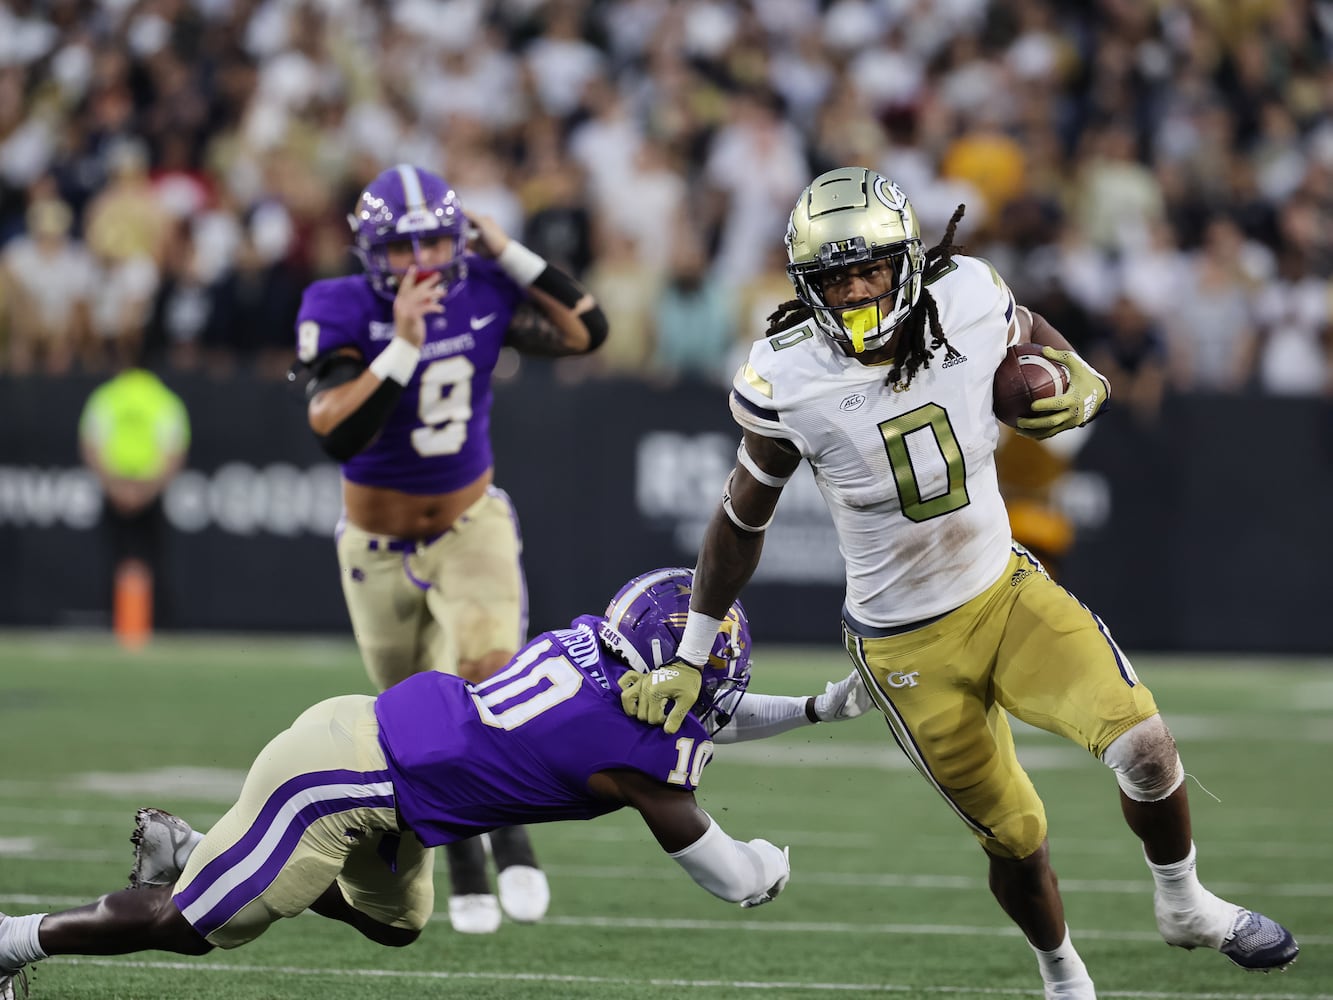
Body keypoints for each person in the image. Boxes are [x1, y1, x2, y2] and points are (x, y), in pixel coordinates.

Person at [619, 167, 1299, 998]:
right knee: (1015, 840)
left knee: (1145, 746)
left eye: (870, 268)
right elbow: (740, 519)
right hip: (901, 642)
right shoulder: (785, 376)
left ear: (909, 262)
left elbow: (1029, 330)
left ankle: (1185, 904)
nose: (857, 291)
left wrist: (1073, 371)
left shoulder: (967, 293)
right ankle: (1062, 974)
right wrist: (693, 650)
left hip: (1002, 590)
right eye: (834, 278)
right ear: (805, 288)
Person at [0, 568, 872, 999]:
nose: (705, 691)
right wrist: (770, 864)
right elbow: (733, 879)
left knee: (398, 924)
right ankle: (14, 941)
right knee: (188, 929)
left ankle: (205, 851)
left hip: (390, 782)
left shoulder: (598, 654)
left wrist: (814, 710)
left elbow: (702, 710)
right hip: (340, 781)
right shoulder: (627, 744)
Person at [292, 163, 609, 933]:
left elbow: (586, 330)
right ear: (371, 252)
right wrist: (400, 348)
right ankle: (466, 850)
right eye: (403, 248)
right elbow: (335, 429)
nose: (422, 261)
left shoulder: (482, 288)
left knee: (488, 675)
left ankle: (514, 835)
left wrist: (511, 252)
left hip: (470, 523)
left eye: (436, 239)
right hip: (375, 543)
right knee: (412, 718)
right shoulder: (334, 305)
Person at [78, 366, 191, 648]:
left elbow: (90, 445)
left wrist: (117, 488)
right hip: (147, 490)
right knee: (150, 558)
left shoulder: (107, 396)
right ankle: (157, 625)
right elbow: (175, 450)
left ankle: (116, 621)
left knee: (118, 558)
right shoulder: (162, 399)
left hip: (119, 488)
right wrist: (144, 490)